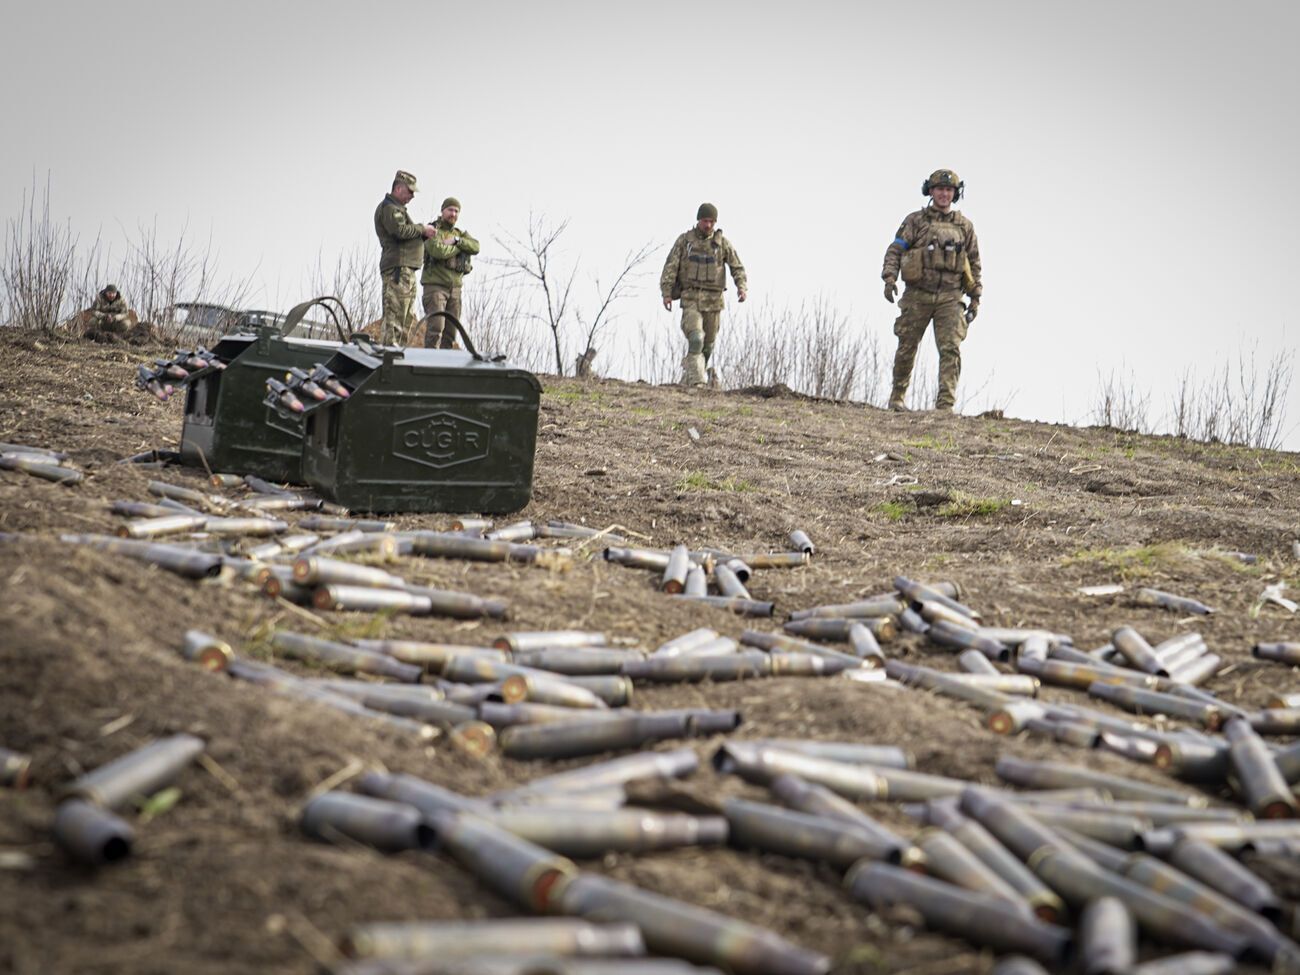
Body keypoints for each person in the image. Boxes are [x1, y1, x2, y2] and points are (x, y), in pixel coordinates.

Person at [880, 168, 982, 412]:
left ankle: (945, 405)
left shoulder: (964, 227)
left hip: (950, 297)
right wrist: (889, 278)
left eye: (949, 190)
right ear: (931, 191)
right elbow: (896, 250)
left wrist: (975, 297)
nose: (944, 194)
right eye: (939, 189)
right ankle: (897, 398)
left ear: (955, 194)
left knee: (950, 349)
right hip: (918, 295)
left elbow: (974, 263)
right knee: (907, 346)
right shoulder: (916, 221)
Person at [660, 203, 747, 386]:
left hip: (714, 302)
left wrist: (741, 286)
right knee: (696, 338)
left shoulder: (722, 244)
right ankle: (697, 382)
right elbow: (670, 267)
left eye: (711, 221)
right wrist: (666, 293)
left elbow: (736, 266)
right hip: (691, 299)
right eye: (705, 221)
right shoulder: (685, 242)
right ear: (698, 220)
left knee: (707, 346)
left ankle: (688, 378)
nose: (708, 225)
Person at [374, 170, 436, 346]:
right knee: (395, 318)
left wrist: (422, 236)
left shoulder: (397, 209)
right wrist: (421, 229)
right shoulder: (390, 208)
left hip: (405, 270)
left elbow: (405, 235)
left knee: (405, 318)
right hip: (398, 270)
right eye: (410, 191)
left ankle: (397, 353)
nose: (412, 196)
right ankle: (390, 356)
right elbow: (400, 232)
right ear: (399, 188)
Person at [420, 197, 480, 348]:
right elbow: (438, 251)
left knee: (451, 332)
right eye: (450, 210)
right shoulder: (433, 229)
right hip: (435, 287)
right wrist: (460, 247)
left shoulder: (459, 234)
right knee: (436, 329)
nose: (453, 214)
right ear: (442, 211)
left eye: (456, 211)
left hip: (455, 290)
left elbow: (476, 247)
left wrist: (456, 241)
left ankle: (444, 366)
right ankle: (429, 365)